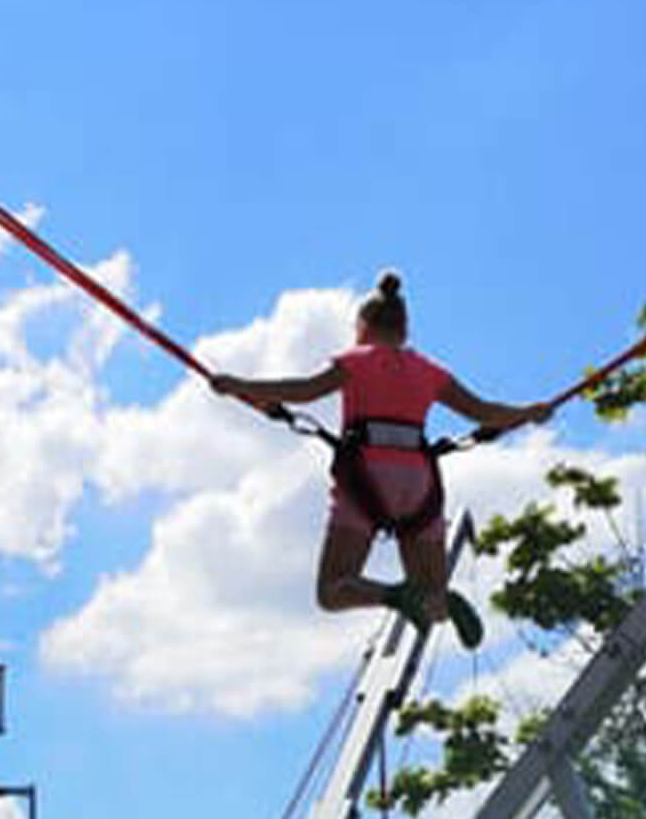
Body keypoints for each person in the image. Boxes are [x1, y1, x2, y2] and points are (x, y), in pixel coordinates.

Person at [210, 270, 550, 648]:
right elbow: (483, 411)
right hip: (419, 483)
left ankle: (393, 596)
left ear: (362, 327)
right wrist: (529, 412)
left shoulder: (355, 361)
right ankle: (440, 599)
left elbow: (303, 391)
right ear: (405, 331)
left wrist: (240, 385)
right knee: (431, 599)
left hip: (366, 480)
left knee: (333, 590)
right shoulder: (429, 371)